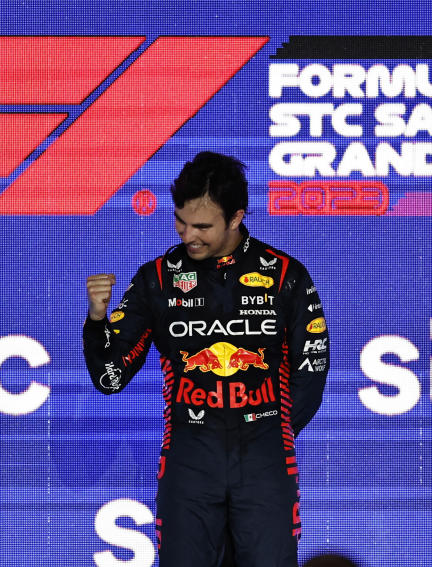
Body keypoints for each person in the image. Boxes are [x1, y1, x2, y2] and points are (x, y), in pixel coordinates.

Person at [83, 152, 328, 567]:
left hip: (265, 462)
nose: (188, 235)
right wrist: (96, 320)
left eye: (202, 226)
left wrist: (267, 430)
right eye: (180, 222)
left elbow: (311, 374)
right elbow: (110, 378)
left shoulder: (286, 275)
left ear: (236, 218)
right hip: (189, 460)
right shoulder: (155, 279)